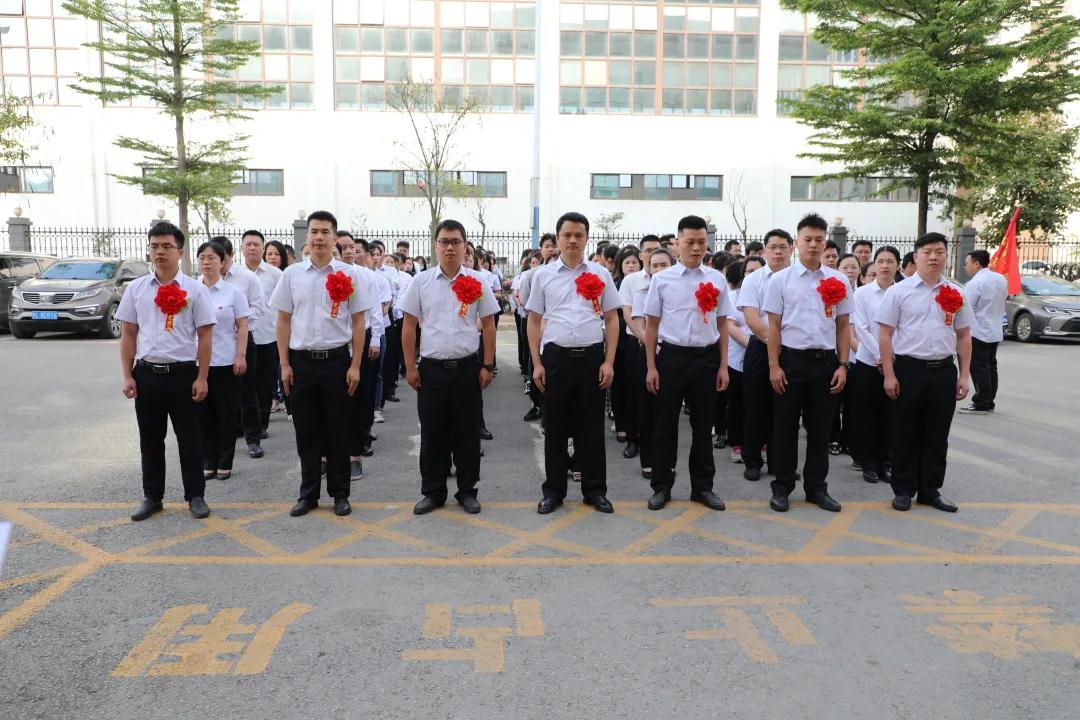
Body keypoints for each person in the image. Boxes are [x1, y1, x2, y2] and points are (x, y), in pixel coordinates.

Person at [271, 211, 375, 518]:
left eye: (325, 232)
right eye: (314, 231)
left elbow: (359, 322)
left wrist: (355, 365)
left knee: (338, 430)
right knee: (306, 431)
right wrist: (284, 364)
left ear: (334, 237)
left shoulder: (350, 275)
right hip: (302, 363)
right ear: (307, 237)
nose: (319, 237)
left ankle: (340, 493)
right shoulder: (292, 275)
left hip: (337, 362)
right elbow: (283, 320)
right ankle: (308, 494)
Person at [118, 221, 216, 522]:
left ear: (180, 252)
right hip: (147, 374)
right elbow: (129, 334)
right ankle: (152, 497)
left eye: (166, 246)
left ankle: (195, 496)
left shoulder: (195, 290)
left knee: (190, 439)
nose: (160, 252)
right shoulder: (136, 289)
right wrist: (127, 375)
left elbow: (205, 336)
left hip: (183, 375)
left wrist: (202, 377)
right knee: (150, 440)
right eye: (154, 246)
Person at [400, 220, 499, 515]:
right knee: (433, 434)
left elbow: (489, 325)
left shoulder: (477, 281)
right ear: (436, 246)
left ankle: (467, 491)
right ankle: (433, 492)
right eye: (444, 241)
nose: (450, 247)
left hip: (468, 368)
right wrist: (410, 367)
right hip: (432, 369)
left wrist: (488, 365)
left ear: (465, 246)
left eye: (456, 242)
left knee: (467, 433)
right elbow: (409, 326)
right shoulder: (421, 282)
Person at [527, 212, 621, 515]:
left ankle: (595, 491)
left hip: (592, 359)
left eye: (579, 235)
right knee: (555, 428)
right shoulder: (543, 276)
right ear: (557, 239)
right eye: (567, 235)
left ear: (586, 239)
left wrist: (609, 361)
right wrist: (537, 363)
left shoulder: (600, 274)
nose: (572, 240)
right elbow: (534, 320)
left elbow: (612, 318)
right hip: (556, 359)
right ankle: (553, 492)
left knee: (591, 428)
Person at [877, 233, 973, 513]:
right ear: (916, 256)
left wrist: (964, 375)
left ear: (946, 255)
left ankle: (930, 489)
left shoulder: (956, 292)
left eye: (939, 252)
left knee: (937, 433)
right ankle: (903, 489)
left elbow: (964, 335)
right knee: (904, 431)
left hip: (943, 371)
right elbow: (885, 334)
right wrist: (889, 374)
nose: (933, 257)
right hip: (908, 370)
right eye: (927, 252)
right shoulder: (899, 291)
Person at [763, 213, 852, 513]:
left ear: (826, 242)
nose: (813, 245)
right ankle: (782, 487)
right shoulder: (780, 280)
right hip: (791, 361)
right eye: (808, 239)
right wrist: (774, 366)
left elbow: (843, 326)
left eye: (819, 240)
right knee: (785, 429)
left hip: (826, 363)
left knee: (820, 430)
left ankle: (816, 488)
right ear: (796, 243)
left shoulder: (838, 280)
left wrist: (843, 365)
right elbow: (773, 327)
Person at [643, 215, 731, 511]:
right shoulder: (662, 279)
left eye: (701, 242)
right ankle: (661, 486)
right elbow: (651, 325)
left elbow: (722, 324)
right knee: (664, 426)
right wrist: (651, 367)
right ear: (677, 243)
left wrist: (723, 366)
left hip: (706, 359)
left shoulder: (716, 279)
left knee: (703, 427)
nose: (696, 248)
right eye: (690, 242)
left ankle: (702, 487)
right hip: (672, 358)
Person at [736, 229, 793, 482]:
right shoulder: (754, 280)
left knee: (785, 410)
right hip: (761, 347)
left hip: (793, 351)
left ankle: (780, 463)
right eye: (773, 247)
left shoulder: (799, 278)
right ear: (765, 250)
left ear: (791, 248)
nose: (778, 252)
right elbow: (751, 317)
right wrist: (775, 344)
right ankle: (753, 461)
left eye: (783, 247)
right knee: (755, 406)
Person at [195, 241, 251, 482]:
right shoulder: (191, 291)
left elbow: (242, 325)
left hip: (225, 362)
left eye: (212, 258)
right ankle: (208, 460)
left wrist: (240, 355)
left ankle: (225, 462)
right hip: (197, 364)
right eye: (202, 258)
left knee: (226, 415)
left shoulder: (233, 293)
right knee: (202, 415)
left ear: (223, 262)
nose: (206, 262)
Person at [849, 246, 900, 484]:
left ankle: (886, 462)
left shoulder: (903, 292)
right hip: (868, 361)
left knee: (890, 416)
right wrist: (881, 355)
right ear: (874, 264)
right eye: (880, 261)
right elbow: (861, 328)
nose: (885, 266)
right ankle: (867, 463)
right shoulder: (862, 294)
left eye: (890, 261)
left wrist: (891, 357)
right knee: (866, 415)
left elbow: (904, 329)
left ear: (898, 265)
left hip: (897, 362)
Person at [215, 236, 268, 460]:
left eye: (223, 259)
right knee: (220, 393)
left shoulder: (247, 278)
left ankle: (253, 438)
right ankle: (223, 438)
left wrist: (238, 322)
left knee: (247, 391)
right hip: (216, 344)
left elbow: (259, 307)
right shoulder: (203, 282)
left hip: (243, 340)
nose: (219, 264)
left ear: (230, 255)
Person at [241, 230, 284, 437]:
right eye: (248, 244)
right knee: (244, 383)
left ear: (263, 248)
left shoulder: (276, 275)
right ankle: (245, 424)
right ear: (242, 248)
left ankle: (261, 425)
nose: (252, 248)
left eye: (256, 244)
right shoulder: (235, 275)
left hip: (268, 336)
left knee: (265, 383)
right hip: (242, 338)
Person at [724, 256, 763, 464]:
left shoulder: (770, 293)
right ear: (743, 274)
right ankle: (737, 443)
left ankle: (760, 443)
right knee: (737, 402)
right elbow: (730, 325)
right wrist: (754, 345)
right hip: (739, 356)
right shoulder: (733, 296)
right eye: (749, 271)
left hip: (765, 355)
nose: (753, 275)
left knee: (760, 403)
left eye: (758, 271)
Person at [960, 250, 1008, 414]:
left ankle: (981, 402)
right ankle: (989, 400)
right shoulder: (1000, 279)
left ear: (976, 264)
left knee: (979, 367)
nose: (965, 267)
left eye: (967, 263)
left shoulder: (975, 283)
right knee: (990, 366)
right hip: (995, 329)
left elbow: (967, 308)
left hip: (978, 331)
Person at [611, 246, 641, 453]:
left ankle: (637, 430)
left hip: (638, 341)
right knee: (619, 385)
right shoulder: (614, 286)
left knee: (635, 388)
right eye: (627, 262)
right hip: (619, 342)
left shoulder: (646, 284)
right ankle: (622, 424)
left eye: (634, 262)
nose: (631, 266)